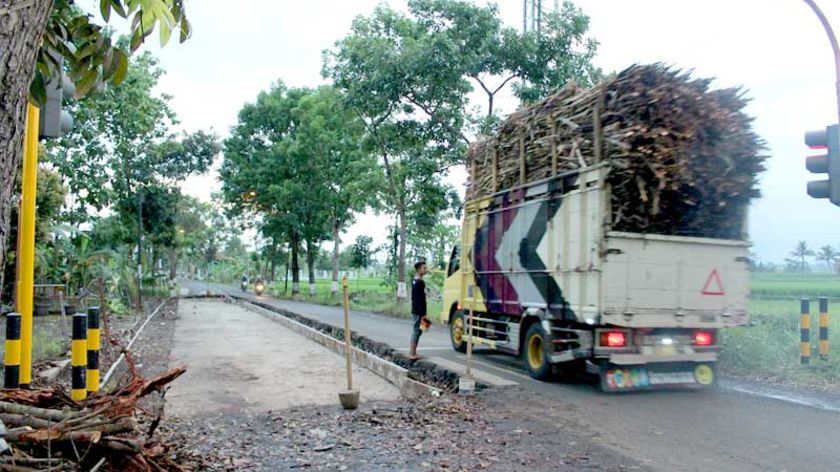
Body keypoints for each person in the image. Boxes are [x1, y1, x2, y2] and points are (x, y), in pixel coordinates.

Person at [409, 261, 428, 361]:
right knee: (417, 331)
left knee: (419, 330)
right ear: (419, 270)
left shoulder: (415, 280)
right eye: (424, 268)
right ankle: (412, 353)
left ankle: (414, 352)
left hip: (416, 310)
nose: (426, 270)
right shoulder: (420, 282)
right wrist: (423, 314)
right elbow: (419, 299)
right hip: (419, 311)